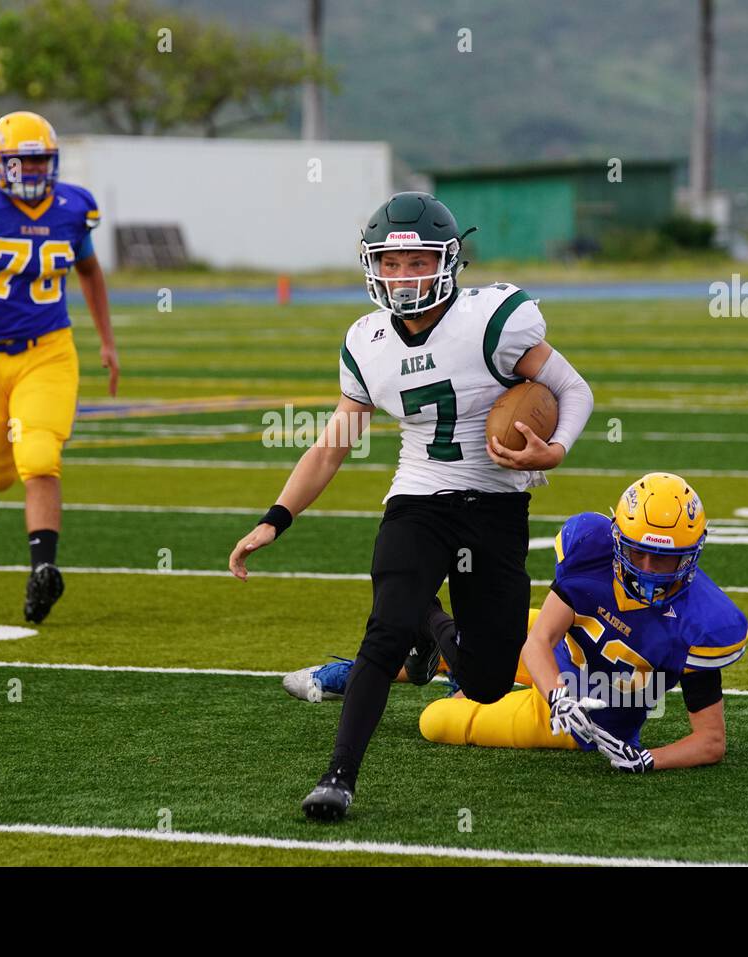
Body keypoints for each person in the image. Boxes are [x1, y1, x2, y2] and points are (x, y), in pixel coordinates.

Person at [229, 192, 594, 820]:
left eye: (418, 261)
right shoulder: (366, 340)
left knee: (482, 681)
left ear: (448, 261)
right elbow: (331, 446)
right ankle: (338, 778)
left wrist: (554, 450)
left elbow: (572, 386)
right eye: (391, 265)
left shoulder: (493, 321)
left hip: (497, 506)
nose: (404, 278)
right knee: (383, 629)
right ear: (372, 267)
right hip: (419, 499)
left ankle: (432, 633)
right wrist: (275, 517)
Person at [287, 473, 748, 774]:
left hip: (586, 719)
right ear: (616, 538)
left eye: (665, 560)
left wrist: (649, 758)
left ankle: (441, 658)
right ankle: (427, 644)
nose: (648, 568)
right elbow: (538, 642)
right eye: (640, 553)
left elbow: (710, 742)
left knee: (436, 721)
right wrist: (557, 695)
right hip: (557, 663)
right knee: (482, 636)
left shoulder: (704, 621)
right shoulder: (591, 549)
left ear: (692, 555)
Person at [0, 111, 119, 624]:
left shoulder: (71, 207)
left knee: (38, 455)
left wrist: (107, 341)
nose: (34, 169)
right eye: (23, 159)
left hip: (48, 352)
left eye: (41, 159)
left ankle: (43, 571)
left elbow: (89, 270)